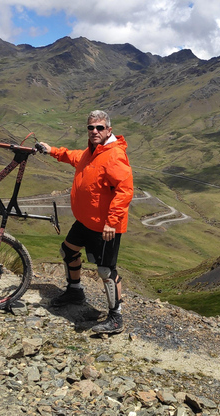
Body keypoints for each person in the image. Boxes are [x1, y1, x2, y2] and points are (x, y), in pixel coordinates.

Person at [38, 110, 134, 334]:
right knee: (68, 252)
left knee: (106, 271)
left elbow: (125, 190)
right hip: (85, 221)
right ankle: (75, 290)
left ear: (109, 130)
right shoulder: (91, 152)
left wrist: (111, 221)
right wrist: (51, 150)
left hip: (105, 227)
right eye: (91, 127)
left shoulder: (114, 155)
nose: (94, 131)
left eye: (100, 128)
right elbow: (73, 156)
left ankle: (116, 317)